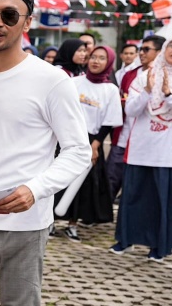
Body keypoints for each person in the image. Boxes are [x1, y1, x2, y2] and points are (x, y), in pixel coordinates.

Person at [0, 0, 91, 306]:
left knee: (20, 301)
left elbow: (78, 151)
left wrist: (35, 190)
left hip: (25, 218)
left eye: (9, 15)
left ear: (27, 22)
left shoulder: (51, 80)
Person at [112, 32, 172, 261]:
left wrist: (168, 93)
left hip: (169, 151)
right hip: (141, 147)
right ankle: (125, 239)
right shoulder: (145, 75)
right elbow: (131, 110)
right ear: (165, 48)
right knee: (133, 196)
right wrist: (147, 91)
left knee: (162, 200)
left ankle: (159, 245)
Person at [56, 46, 122, 242]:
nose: (96, 61)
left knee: (83, 186)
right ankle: (50, 222)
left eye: (102, 58)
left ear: (108, 63)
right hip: (67, 138)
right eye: (93, 57)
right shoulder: (73, 82)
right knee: (58, 180)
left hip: (92, 141)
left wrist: (95, 146)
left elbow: (109, 121)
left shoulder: (110, 89)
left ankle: (72, 224)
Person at [106, 35, 164, 202]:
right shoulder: (129, 74)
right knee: (112, 175)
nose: (141, 53)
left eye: (146, 49)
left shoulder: (163, 76)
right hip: (123, 134)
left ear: (159, 52)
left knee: (137, 183)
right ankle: (105, 211)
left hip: (147, 139)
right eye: (141, 49)